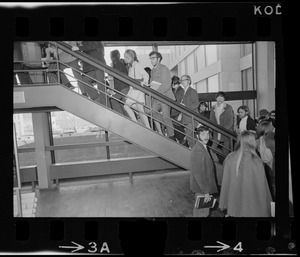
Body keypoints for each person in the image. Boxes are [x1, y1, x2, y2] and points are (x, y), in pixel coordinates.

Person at [218, 130, 272, 217]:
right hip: (253, 208)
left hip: (234, 207)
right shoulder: (257, 161)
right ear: (252, 142)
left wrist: (225, 204)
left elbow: (225, 184)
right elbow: (262, 189)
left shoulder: (230, 158)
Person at [190, 126, 219, 217]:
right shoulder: (199, 150)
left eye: (207, 134)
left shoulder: (202, 147)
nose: (206, 137)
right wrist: (206, 192)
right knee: (202, 213)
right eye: (203, 134)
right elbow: (199, 174)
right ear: (197, 136)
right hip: (202, 189)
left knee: (202, 212)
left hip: (202, 188)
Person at [149, 51, 176, 140]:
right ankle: (170, 128)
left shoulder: (164, 68)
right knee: (151, 112)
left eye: (153, 58)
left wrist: (156, 92)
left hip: (164, 96)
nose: (151, 60)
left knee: (166, 117)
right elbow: (153, 84)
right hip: (157, 96)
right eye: (150, 58)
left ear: (159, 59)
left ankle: (172, 136)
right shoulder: (152, 70)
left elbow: (167, 84)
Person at [72, 41, 107, 105]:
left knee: (101, 86)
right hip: (94, 67)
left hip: (98, 66)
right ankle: (97, 98)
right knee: (85, 79)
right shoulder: (86, 44)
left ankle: (106, 105)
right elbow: (89, 51)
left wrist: (78, 48)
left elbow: (92, 46)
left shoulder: (90, 42)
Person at [123, 49, 150, 128]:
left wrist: (144, 82)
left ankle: (136, 124)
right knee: (140, 110)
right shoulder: (131, 67)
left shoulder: (136, 65)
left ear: (132, 57)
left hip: (137, 91)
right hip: (136, 90)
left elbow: (146, 75)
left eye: (127, 57)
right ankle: (148, 128)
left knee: (126, 106)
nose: (125, 58)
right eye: (125, 57)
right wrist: (128, 94)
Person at [209, 91, 234, 159]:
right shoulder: (213, 108)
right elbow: (211, 120)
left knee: (226, 152)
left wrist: (223, 130)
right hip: (216, 132)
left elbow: (230, 122)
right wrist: (210, 130)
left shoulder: (228, 107)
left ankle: (225, 165)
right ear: (216, 98)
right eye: (218, 97)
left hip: (226, 132)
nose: (220, 99)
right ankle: (217, 162)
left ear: (224, 99)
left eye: (222, 97)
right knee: (213, 149)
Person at [178, 75, 200, 148]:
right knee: (191, 136)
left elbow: (196, 104)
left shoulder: (192, 91)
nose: (183, 82)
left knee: (189, 136)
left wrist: (185, 107)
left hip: (192, 118)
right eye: (182, 80)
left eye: (185, 80)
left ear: (189, 81)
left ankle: (196, 151)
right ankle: (199, 150)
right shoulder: (183, 92)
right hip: (187, 118)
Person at [256, 120, 275, 200]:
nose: (273, 129)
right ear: (267, 129)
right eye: (272, 128)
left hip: (262, 168)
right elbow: (268, 158)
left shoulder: (257, 140)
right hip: (271, 169)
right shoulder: (270, 141)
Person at [109, 49, 130, 117]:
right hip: (123, 88)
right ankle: (125, 117)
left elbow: (118, 74)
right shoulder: (118, 62)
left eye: (110, 55)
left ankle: (124, 117)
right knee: (123, 104)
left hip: (122, 88)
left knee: (115, 101)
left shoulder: (116, 62)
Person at [170, 76, 186, 144]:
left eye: (174, 84)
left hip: (178, 113)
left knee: (179, 131)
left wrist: (181, 114)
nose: (172, 85)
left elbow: (183, 103)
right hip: (172, 113)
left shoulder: (181, 90)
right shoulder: (172, 90)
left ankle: (184, 143)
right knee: (174, 130)